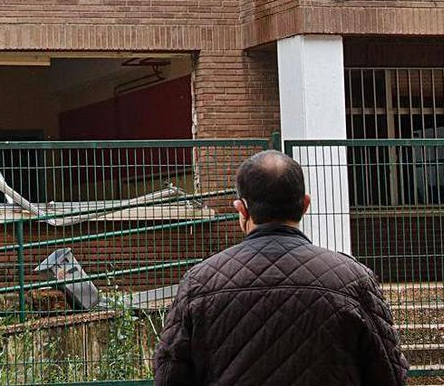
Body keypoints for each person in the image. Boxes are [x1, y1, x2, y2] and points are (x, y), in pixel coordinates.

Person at [153, 150, 407, 385]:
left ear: (241, 208)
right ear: (305, 205)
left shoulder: (200, 283)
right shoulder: (353, 280)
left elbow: (169, 375)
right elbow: (389, 374)